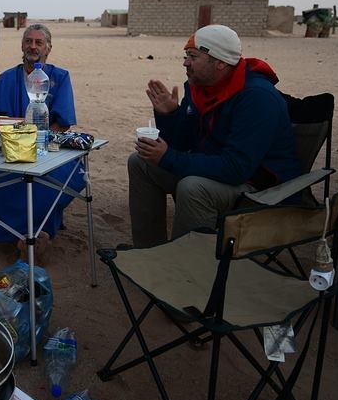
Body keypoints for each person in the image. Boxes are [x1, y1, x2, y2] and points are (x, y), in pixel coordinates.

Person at [128, 24, 301, 247]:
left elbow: (236, 168)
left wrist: (168, 158)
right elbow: (184, 142)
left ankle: (186, 267)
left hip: (259, 185)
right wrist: (171, 115)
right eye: (186, 56)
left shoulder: (257, 98)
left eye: (193, 56)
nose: (185, 62)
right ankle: (149, 251)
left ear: (219, 62)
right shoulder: (199, 88)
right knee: (141, 162)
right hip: (213, 167)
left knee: (192, 187)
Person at [0, 24, 83, 258]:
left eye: (38, 42)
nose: (33, 46)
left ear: (48, 49)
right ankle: (2, 230)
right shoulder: (6, 78)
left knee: (57, 177)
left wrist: (33, 142)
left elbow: (63, 123)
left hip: (44, 149)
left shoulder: (60, 77)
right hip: (7, 149)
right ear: (22, 46)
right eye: (28, 41)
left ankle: (36, 234)